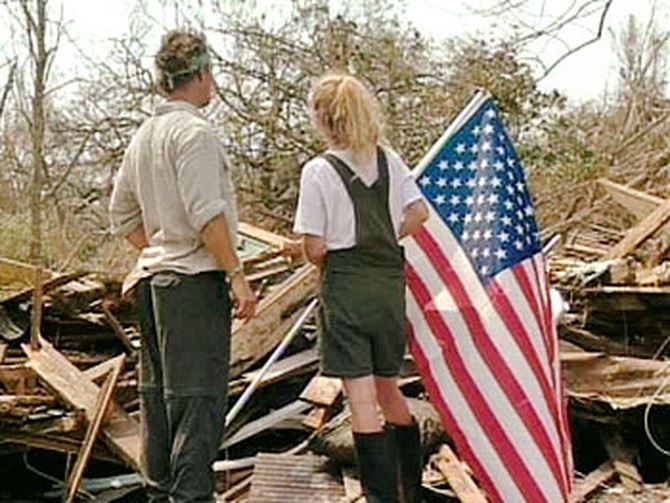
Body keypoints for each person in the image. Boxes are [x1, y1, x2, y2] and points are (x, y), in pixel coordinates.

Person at [109, 29, 256, 502]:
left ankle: (160, 496)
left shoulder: (144, 136)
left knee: (158, 402)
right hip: (191, 283)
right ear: (201, 74)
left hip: (154, 283)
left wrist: (157, 247)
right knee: (197, 403)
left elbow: (122, 216)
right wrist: (235, 273)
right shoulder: (194, 132)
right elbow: (206, 214)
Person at [294, 73, 430, 502]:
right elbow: (419, 214)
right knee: (389, 387)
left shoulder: (319, 172)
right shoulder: (388, 159)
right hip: (388, 287)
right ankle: (413, 490)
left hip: (348, 287)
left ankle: (382, 499)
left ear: (323, 119)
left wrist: (332, 248)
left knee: (362, 400)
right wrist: (387, 232)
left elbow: (314, 247)